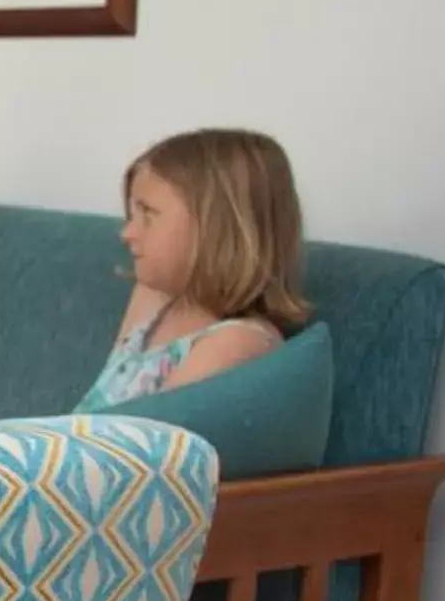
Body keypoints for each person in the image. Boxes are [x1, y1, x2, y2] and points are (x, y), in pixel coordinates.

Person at [81, 128, 310, 405]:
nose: (126, 233)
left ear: (216, 230)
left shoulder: (238, 343)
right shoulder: (156, 297)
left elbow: (146, 439)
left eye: (148, 214)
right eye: (132, 214)